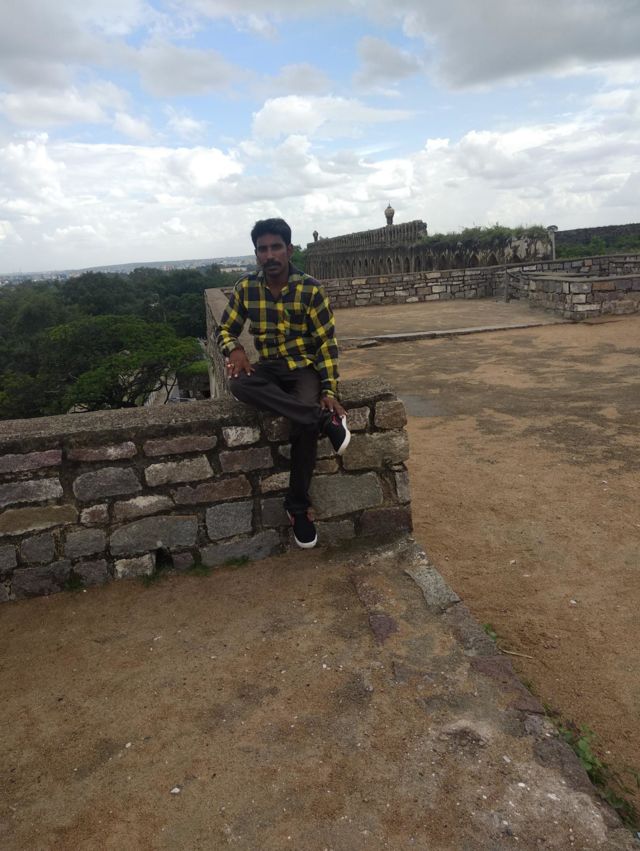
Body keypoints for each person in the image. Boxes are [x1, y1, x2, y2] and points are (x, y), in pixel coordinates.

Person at [216, 217, 350, 549]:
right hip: (269, 367)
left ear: (289, 250)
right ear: (256, 254)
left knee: (302, 424)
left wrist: (329, 390)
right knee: (239, 384)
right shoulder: (246, 287)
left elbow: (326, 344)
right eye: (263, 249)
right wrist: (234, 349)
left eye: (276, 247)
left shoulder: (310, 289)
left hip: (302, 367)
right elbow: (225, 329)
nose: (270, 255)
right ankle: (324, 421)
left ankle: (298, 507)